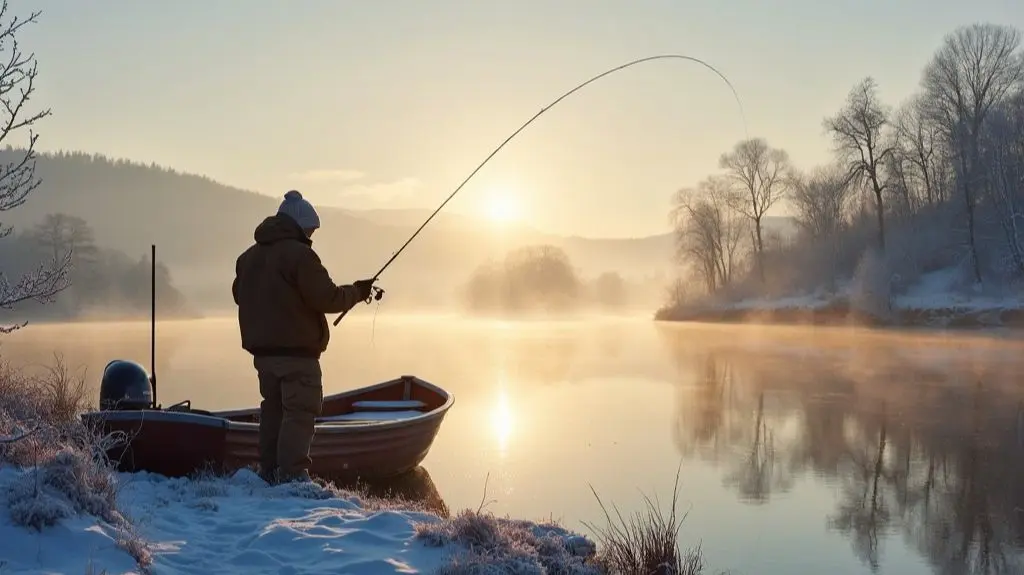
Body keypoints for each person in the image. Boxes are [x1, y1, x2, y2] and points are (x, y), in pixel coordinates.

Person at [232, 190, 375, 484]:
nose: (312, 235)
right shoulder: (300, 256)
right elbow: (328, 298)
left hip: (264, 355)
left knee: (272, 411)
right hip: (297, 354)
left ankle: (269, 473)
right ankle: (293, 478)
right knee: (299, 413)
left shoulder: (248, 257)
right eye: (310, 229)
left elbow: (239, 294)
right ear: (299, 225)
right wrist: (358, 292)